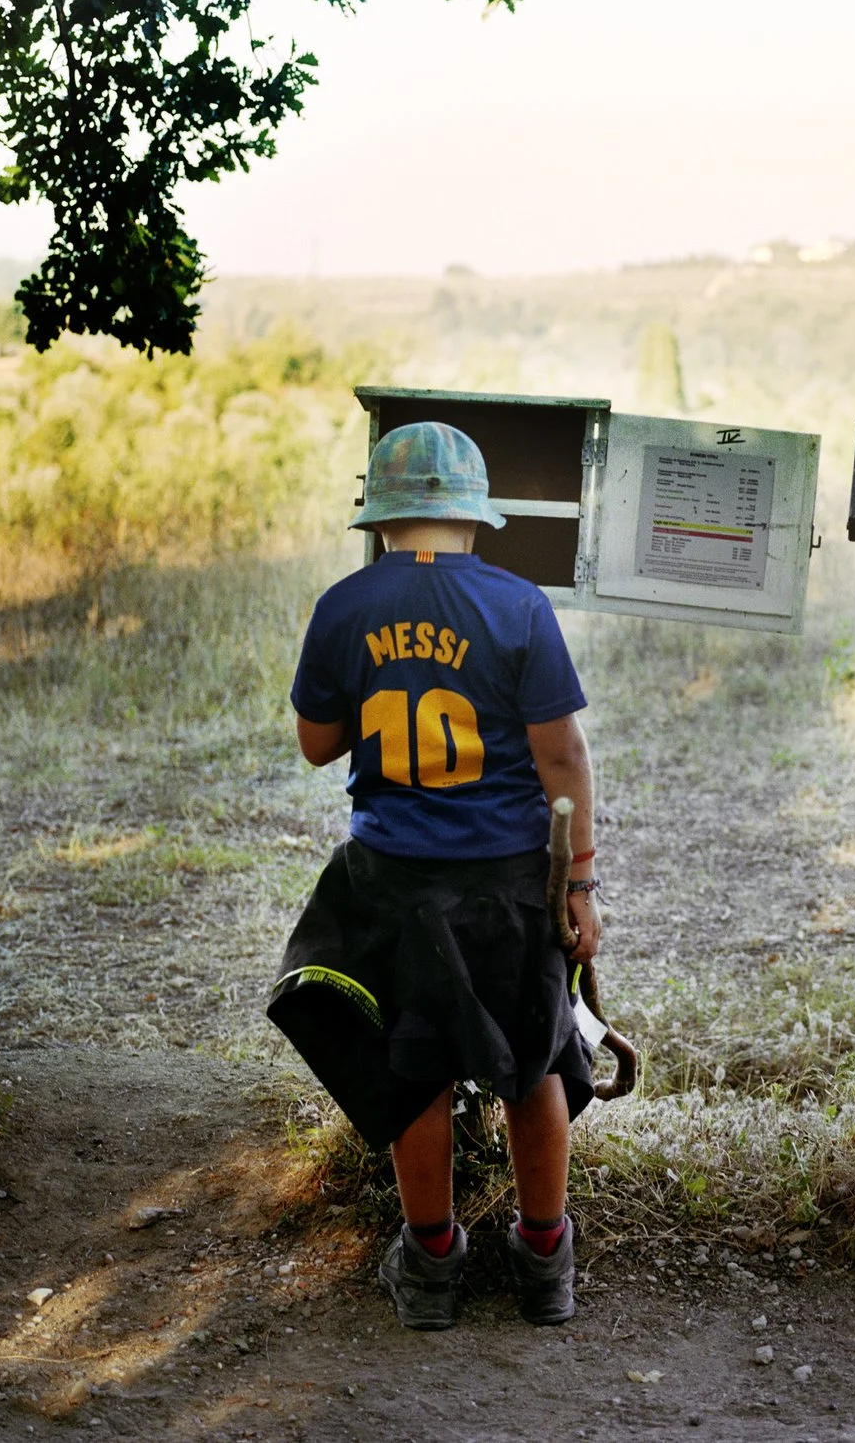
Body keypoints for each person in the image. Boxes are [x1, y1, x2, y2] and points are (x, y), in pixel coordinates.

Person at [266, 419, 601, 1331]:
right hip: (506, 883)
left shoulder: (345, 606)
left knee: (415, 1069)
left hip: (393, 883)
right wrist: (579, 887)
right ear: (474, 519)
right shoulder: (519, 605)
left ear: (380, 521)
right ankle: (544, 1264)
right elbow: (562, 758)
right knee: (533, 1061)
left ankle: (430, 1268)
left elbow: (314, 745)